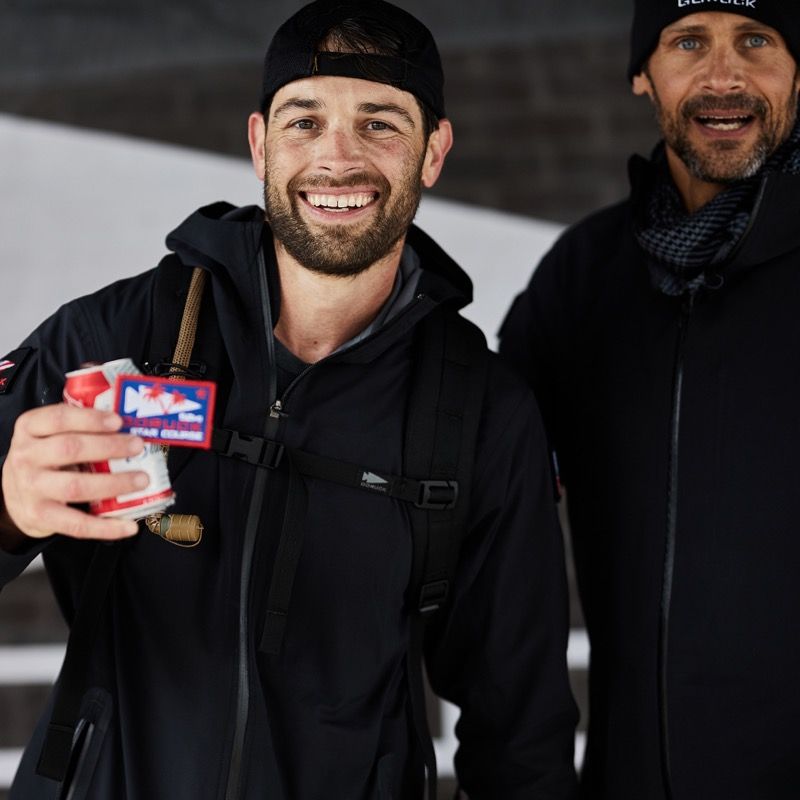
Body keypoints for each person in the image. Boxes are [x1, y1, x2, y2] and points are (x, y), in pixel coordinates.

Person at [0, 1, 579, 798]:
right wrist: (5, 508)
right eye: (304, 122)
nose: (336, 159)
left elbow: (521, 736)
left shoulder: (482, 413)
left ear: (434, 151)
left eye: (379, 124)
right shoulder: (117, 334)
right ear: (259, 144)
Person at [500, 1, 800, 798]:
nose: (724, 74)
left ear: (799, 72)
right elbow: (475, 474)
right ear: (644, 73)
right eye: (689, 42)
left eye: (758, 40)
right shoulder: (583, 277)